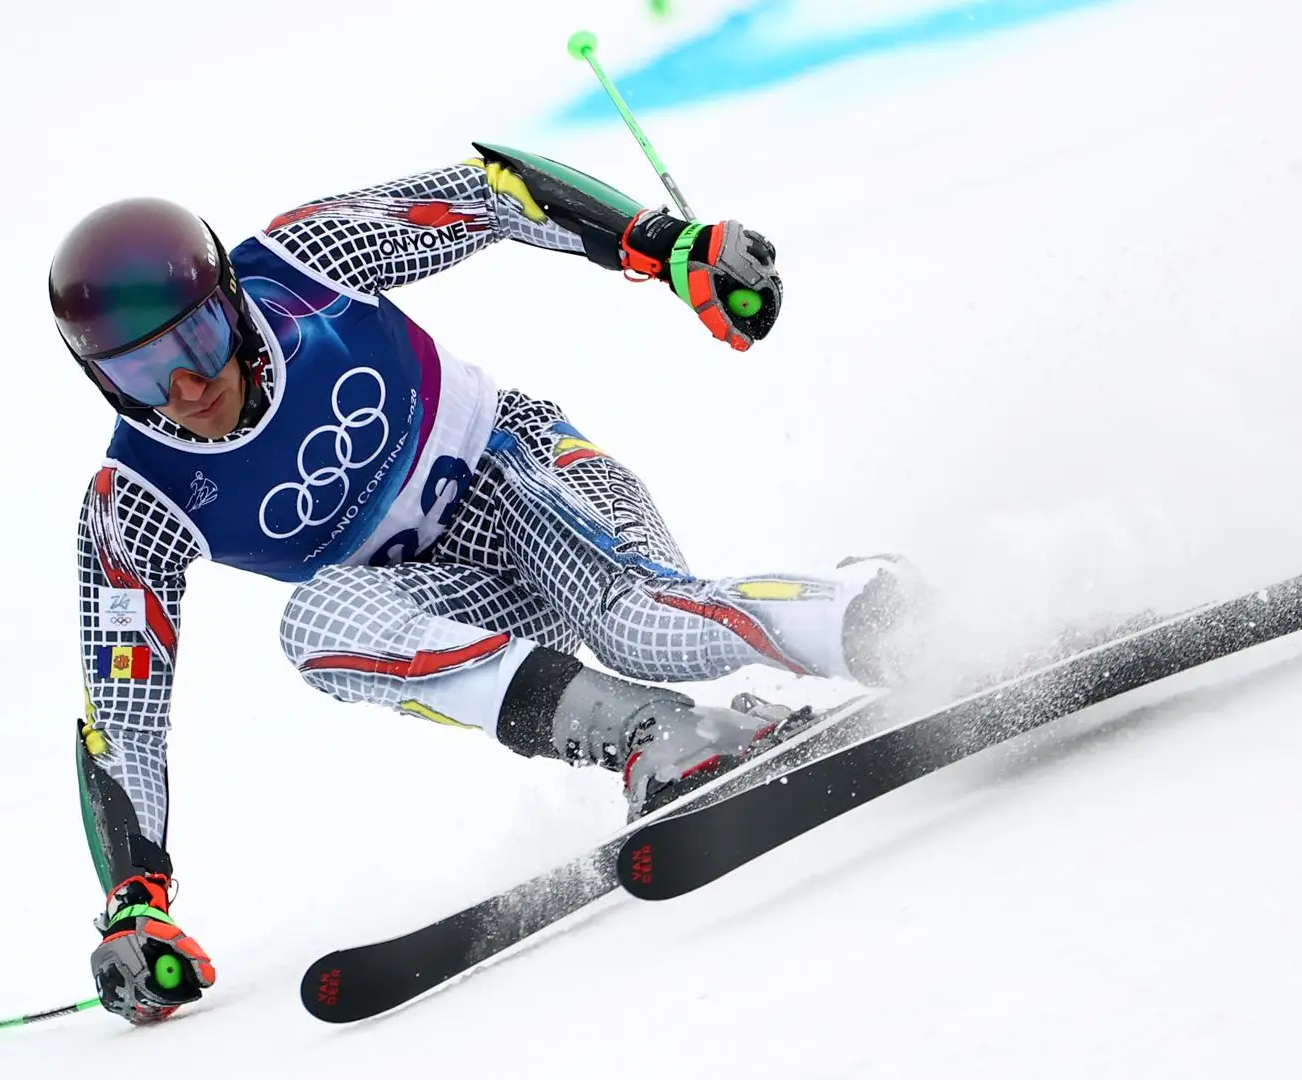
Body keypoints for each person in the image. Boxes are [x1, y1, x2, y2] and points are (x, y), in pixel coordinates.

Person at [50, 143, 916, 1024]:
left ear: (229, 301)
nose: (187, 387)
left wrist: (661, 243)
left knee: (641, 628)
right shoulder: (138, 502)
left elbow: (490, 193)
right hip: (454, 593)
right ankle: (659, 734)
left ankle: (881, 613)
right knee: (313, 626)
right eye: (139, 374)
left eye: (195, 341)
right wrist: (136, 902)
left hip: (519, 472)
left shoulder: (305, 264)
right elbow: (121, 718)